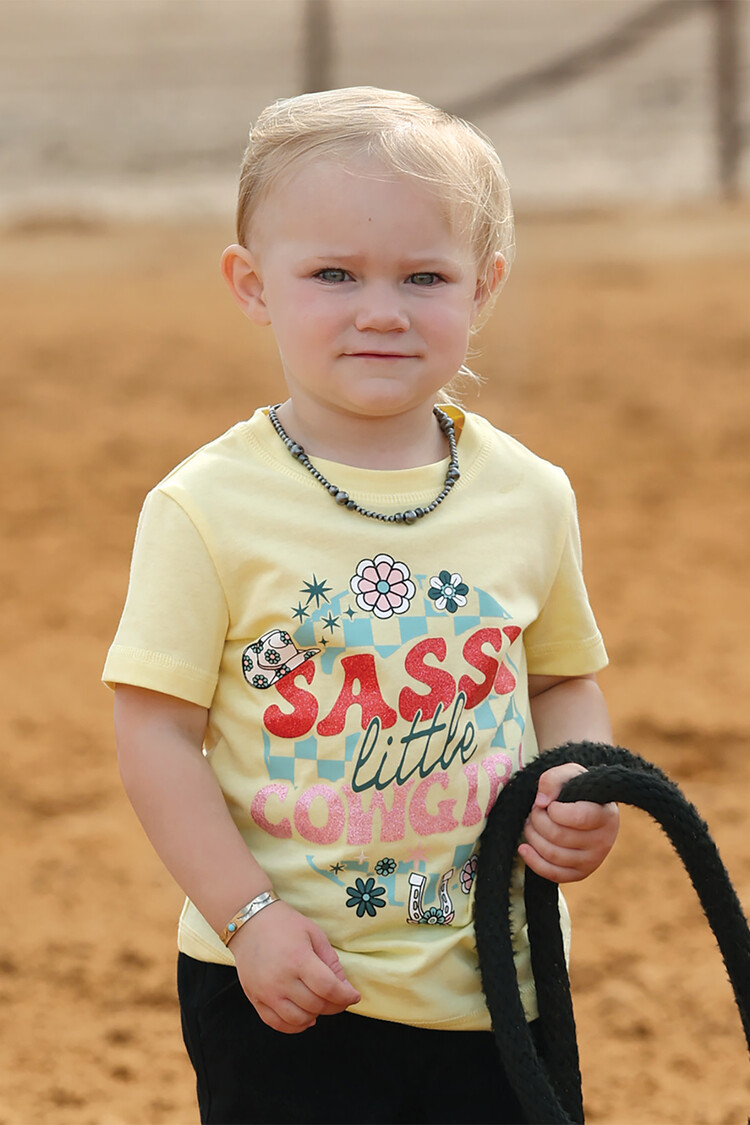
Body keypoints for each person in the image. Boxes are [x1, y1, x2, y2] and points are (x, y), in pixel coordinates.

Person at [103, 86, 618, 1125]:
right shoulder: (204, 508)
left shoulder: (531, 493)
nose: (380, 308)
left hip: (498, 983)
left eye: (424, 276)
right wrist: (248, 920)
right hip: (291, 986)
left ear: (484, 287)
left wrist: (580, 778)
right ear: (252, 286)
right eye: (333, 273)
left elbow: (562, 675)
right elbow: (155, 730)